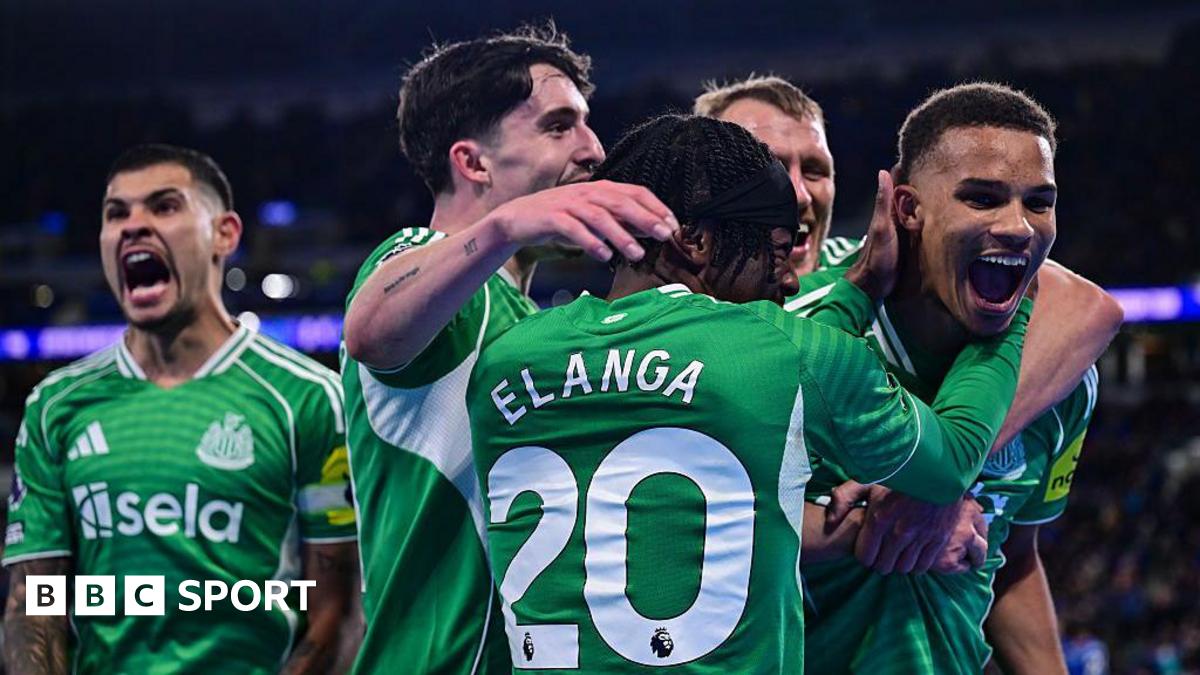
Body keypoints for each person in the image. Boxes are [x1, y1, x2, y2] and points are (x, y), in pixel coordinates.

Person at [466, 114, 1031, 672]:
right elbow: (951, 460)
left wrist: (857, 290)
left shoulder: (504, 363)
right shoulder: (788, 353)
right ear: (696, 242)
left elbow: (719, 375)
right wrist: (1019, 294)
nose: (788, 281)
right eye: (776, 251)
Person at [339, 25, 675, 674]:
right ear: (473, 163)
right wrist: (506, 224)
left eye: (588, 124)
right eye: (559, 126)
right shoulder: (418, 265)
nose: (594, 149)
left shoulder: (529, 318)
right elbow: (370, 329)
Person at [788, 83, 1110, 674]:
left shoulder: (1064, 381)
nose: (1018, 226)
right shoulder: (799, 337)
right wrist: (862, 528)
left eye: (1039, 202)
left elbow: (1015, 563)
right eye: (982, 199)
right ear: (908, 208)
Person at [2, 144, 358, 674]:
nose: (134, 226)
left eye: (164, 206)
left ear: (225, 234)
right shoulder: (55, 407)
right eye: (116, 213)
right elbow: (34, 604)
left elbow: (335, 607)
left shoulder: (307, 396)